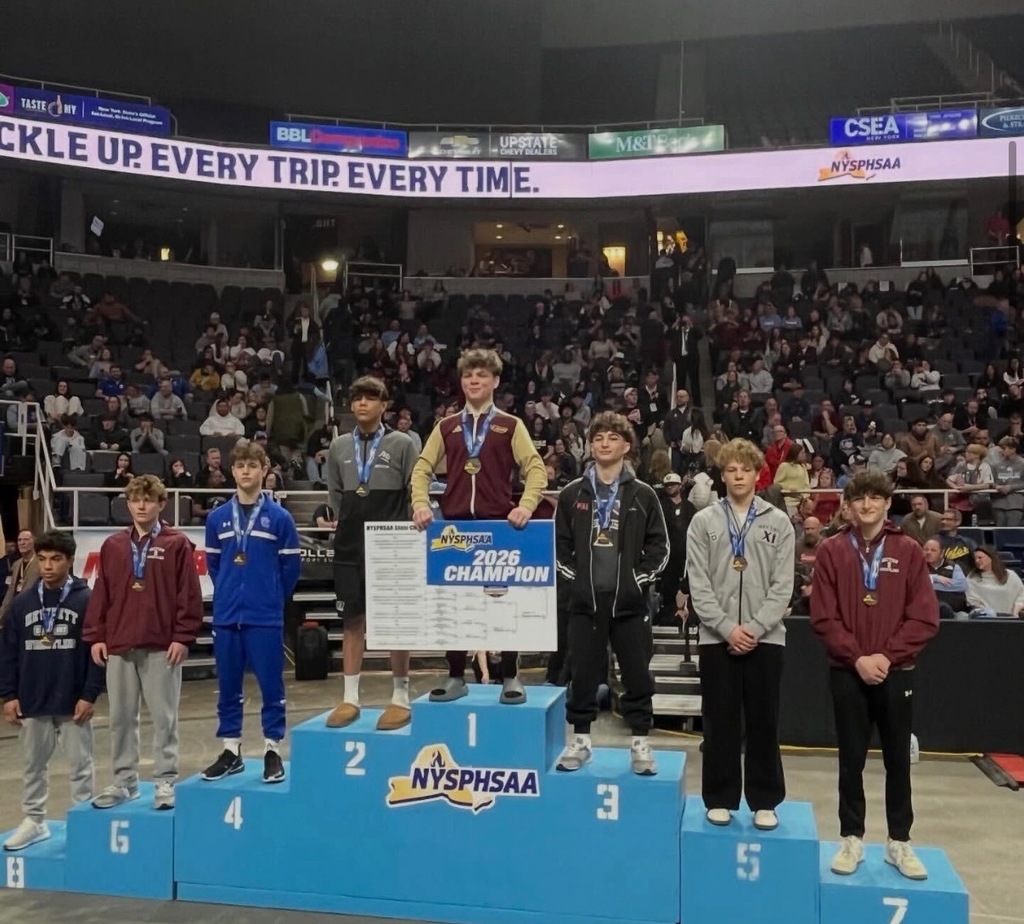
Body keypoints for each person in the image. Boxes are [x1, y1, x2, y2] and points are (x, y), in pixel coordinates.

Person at [810, 471, 939, 881]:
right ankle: (851, 837)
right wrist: (857, 658)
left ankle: (899, 841)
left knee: (898, 760)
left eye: (874, 498)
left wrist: (885, 656)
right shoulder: (832, 550)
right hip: (848, 672)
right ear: (848, 506)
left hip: (895, 670)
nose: (866, 505)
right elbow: (823, 617)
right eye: (859, 498)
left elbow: (924, 617)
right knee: (850, 760)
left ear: (886, 503)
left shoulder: (908, 550)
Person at [410, 348, 547, 705]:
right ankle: (456, 674)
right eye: (469, 375)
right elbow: (422, 468)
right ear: (461, 381)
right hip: (456, 529)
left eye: (482, 375)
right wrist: (421, 503)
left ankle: (510, 675)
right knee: (456, 605)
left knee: (503, 604)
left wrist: (526, 506)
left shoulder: (511, 425)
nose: (474, 380)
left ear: (495, 381)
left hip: (499, 527)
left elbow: (535, 468)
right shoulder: (446, 426)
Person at [686, 438, 795, 830]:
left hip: (767, 638)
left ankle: (765, 800)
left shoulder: (778, 522)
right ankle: (720, 797)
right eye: (731, 469)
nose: (738, 476)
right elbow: (699, 584)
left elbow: (783, 585)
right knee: (719, 721)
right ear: (722, 474)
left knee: (765, 721)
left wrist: (755, 627)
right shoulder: (703, 522)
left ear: (757, 474)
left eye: (745, 470)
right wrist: (727, 628)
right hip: (717, 638)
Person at [554, 412, 668, 775]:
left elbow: (660, 546)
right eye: (598, 438)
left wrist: (638, 580)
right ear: (590, 446)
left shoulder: (643, 494)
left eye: (612, 437)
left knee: (637, 676)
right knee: (582, 675)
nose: (604, 443)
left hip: (629, 604)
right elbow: (559, 546)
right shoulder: (572, 494)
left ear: (626, 445)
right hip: (585, 603)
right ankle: (581, 741)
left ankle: (640, 743)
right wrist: (576, 580)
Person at [83, 475, 203, 810]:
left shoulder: (177, 543)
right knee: (121, 719)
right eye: (135, 500)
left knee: (165, 718)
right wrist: (97, 635)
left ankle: (165, 780)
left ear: (161, 504)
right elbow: (101, 593)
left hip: (161, 645)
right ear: (128, 503)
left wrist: (182, 636)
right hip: (120, 644)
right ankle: (125, 782)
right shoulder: (113, 545)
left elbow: (189, 595)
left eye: (148, 500)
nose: (141, 506)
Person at [201, 443, 301, 784]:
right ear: (232, 471)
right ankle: (231, 750)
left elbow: (290, 569)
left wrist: (269, 597)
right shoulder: (216, 518)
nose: (246, 471)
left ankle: (272, 749)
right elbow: (214, 566)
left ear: (264, 470)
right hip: (227, 616)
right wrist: (230, 593)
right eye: (240, 465)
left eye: (252, 465)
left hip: (265, 616)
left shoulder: (280, 518)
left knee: (271, 685)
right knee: (228, 686)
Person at [324, 377, 418, 731]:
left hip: (392, 543)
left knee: (395, 620)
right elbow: (335, 493)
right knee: (352, 619)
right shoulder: (338, 447)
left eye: (370, 398)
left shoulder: (402, 443)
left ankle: (400, 695)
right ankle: (350, 697)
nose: (362, 403)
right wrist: (348, 522)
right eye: (357, 398)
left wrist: (404, 534)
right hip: (350, 544)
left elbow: (414, 490)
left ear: (385, 405)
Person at [0, 531, 102, 850]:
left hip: (73, 701)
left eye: (55, 559)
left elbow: (97, 653)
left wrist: (89, 694)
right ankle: (34, 820)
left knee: (81, 767)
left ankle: (83, 823)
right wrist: (8, 695)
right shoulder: (22, 603)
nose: (47, 566)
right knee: (33, 766)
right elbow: (8, 652)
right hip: (32, 699)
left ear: (70, 561)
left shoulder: (86, 600)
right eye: (42, 559)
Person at [658, 472, 695, 625]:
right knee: (668, 587)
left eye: (673, 484)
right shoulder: (661, 506)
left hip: (685, 554)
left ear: (680, 486)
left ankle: (688, 615)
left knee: (686, 585)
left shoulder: (689, 507)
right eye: (667, 485)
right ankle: (668, 616)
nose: (670, 487)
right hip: (668, 555)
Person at [965, 546, 1024, 617]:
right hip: (986, 619)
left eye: (980, 558)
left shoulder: (1010, 575)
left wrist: (1015, 613)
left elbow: (1021, 595)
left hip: (1011, 617)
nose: (977, 561)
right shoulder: (971, 578)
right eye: (975, 559)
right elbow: (972, 600)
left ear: (991, 558)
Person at [922, 538, 967, 618]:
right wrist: (936, 578)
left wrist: (929, 584)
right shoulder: (918, 566)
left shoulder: (954, 567)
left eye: (933, 550)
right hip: (926, 609)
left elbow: (961, 585)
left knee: (963, 617)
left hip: (954, 609)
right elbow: (915, 583)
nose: (928, 552)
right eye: (926, 549)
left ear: (942, 553)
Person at [0, 530, 38, 625]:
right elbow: (10, 592)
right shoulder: (16, 564)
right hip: (16, 612)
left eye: (26, 539)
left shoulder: (41, 562)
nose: (22, 543)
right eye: (19, 540)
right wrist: (1, 614)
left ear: (34, 542)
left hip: (33, 613)